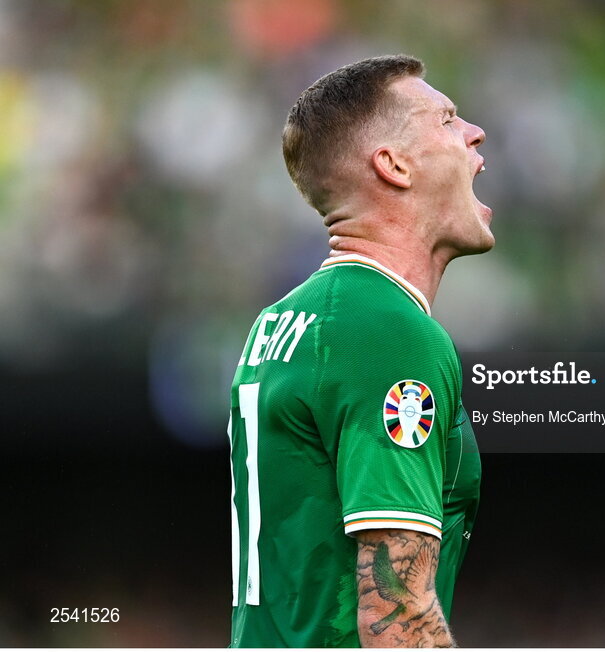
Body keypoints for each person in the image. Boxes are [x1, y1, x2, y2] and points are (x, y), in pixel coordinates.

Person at [226, 54, 490, 648]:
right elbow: (396, 616)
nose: (474, 132)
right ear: (393, 165)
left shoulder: (283, 321)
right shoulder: (388, 332)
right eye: (447, 120)